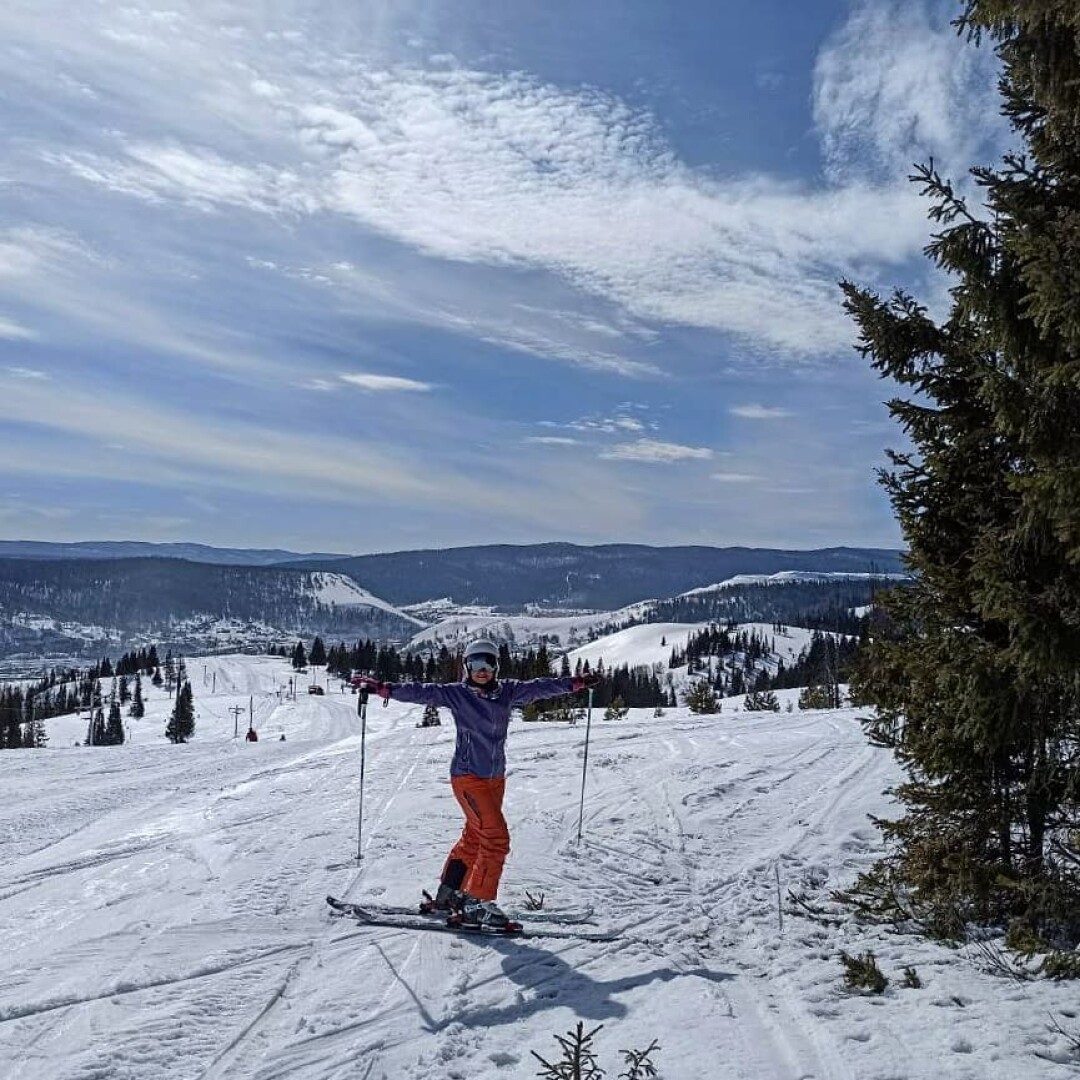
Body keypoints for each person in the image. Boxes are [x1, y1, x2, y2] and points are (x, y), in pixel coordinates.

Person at [357, 638, 598, 930]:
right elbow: (422, 692)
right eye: (475, 664)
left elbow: (539, 687)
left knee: (474, 837)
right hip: (468, 777)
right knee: (496, 838)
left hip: (495, 778)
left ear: (496, 666)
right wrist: (385, 689)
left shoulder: (508, 692)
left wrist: (575, 684)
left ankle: (449, 896)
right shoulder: (458, 695)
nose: (481, 670)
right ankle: (478, 904)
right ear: (466, 667)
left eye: (488, 663)